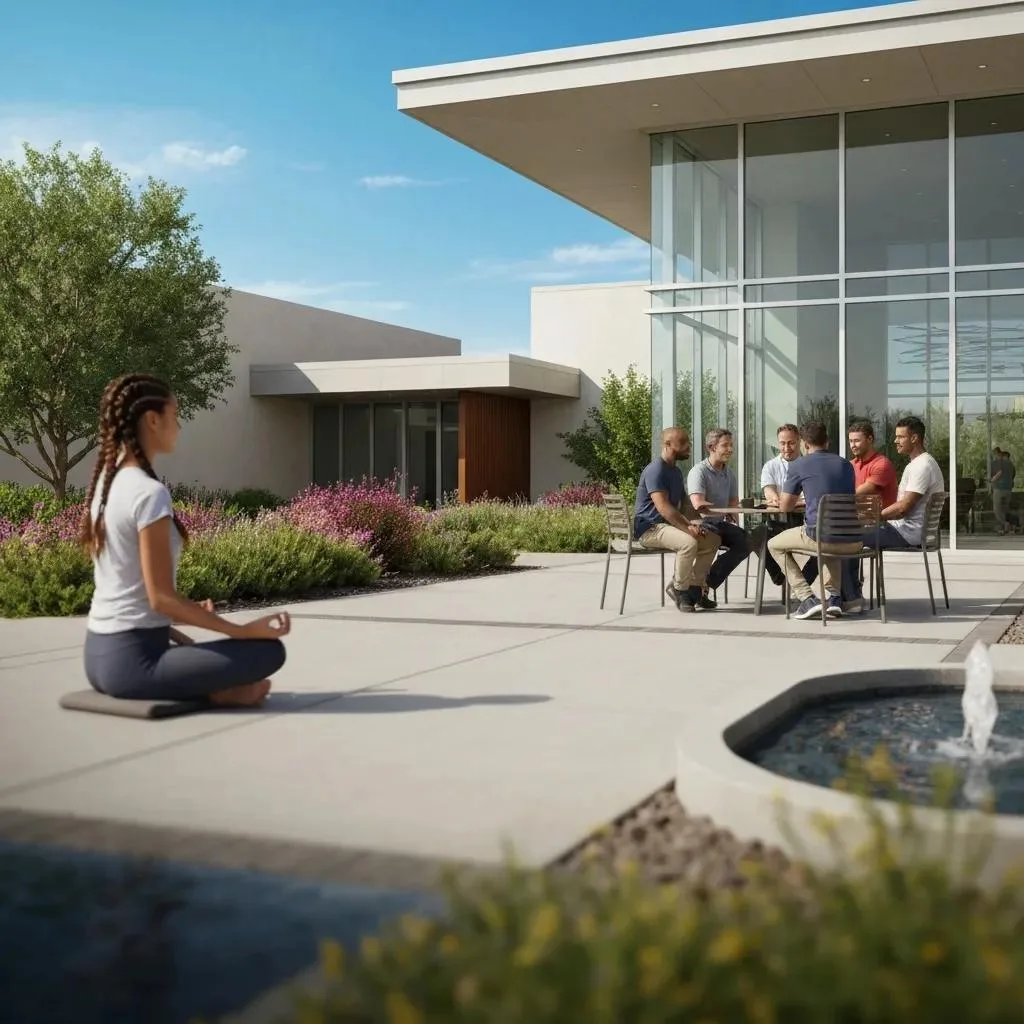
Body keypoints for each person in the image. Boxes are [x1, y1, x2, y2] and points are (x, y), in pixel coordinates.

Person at [80, 373, 291, 706]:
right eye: (175, 415)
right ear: (153, 420)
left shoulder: (107, 486)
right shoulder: (148, 493)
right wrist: (242, 630)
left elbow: (131, 596)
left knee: (229, 652)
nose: (179, 426)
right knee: (268, 651)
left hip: (96, 656)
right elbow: (161, 599)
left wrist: (189, 613)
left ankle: (211, 686)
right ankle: (219, 692)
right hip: (134, 663)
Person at [842, 414, 946, 607]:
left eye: (900, 437)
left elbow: (903, 507)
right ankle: (849, 594)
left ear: (914, 438)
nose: (895, 441)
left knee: (845, 536)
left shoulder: (922, 466)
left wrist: (875, 517)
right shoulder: (920, 463)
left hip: (908, 533)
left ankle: (850, 597)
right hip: (909, 530)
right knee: (851, 532)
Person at [767, 420, 861, 620]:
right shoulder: (846, 465)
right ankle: (834, 598)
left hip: (822, 537)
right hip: (853, 540)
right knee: (829, 533)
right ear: (827, 441)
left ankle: (806, 598)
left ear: (804, 444)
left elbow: (785, 507)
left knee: (773, 544)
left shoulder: (799, 465)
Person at [634, 427, 721, 613]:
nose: (689, 446)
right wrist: (687, 527)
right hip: (650, 528)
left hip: (666, 526)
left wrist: (699, 523)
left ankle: (695, 589)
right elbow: (664, 508)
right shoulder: (656, 470)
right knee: (688, 543)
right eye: (683, 443)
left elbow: (685, 505)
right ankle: (679, 589)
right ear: (668, 444)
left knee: (712, 540)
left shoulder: (675, 471)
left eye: (688, 442)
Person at [687, 427, 749, 600]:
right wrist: (726, 509)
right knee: (714, 537)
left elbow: (733, 502)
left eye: (731, 445)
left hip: (719, 524)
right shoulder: (699, 471)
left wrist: (733, 511)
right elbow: (698, 504)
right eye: (725, 445)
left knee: (747, 542)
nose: (730, 449)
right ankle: (696, 587)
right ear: (712, 447)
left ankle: (706, 583)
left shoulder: (729, 474)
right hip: (701, 524)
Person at [759, 423, 812, 588]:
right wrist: (791, 500)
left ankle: (802, 582)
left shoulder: (808, 465)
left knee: (824, 543)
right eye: (782, 443)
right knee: (756, 537)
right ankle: (781, 577)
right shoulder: (770, 466)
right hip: (777, 521)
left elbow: (809, 498)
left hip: (804, 521)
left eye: (791, 443)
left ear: (799, 441)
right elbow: (770, 494)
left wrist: (785, 500)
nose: (786, 448)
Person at [991, 446, 1013, 534]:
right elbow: (1012, 475)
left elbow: (999, 473)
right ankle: (1004, 529)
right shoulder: (1010, 464)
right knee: (1004, 509)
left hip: (999, 489)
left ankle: (1005, 524)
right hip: (1008, 489)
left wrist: (992, 480)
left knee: (997, 509)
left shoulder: (998, 462)